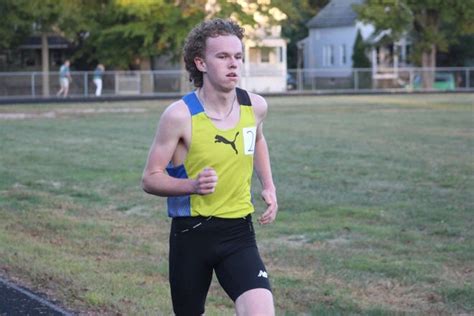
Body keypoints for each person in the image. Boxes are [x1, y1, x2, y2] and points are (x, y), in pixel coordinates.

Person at [142, 18, 278, 315]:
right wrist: (191, 185)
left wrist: (268, 185)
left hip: (238, 231)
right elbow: (150, 178)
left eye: (238, 57)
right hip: (191, 234)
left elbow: (258, 139)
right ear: (201, 63)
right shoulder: (179, 115)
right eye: (223, 56)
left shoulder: (254, 107)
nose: (234, 64)